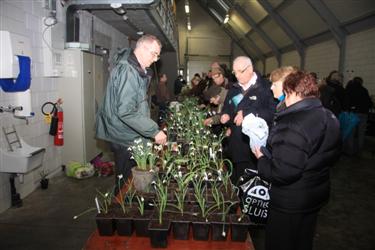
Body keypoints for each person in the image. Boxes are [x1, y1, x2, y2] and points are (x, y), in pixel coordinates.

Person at [253, 71, 341, 250]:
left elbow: (283, 172)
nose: (284, 99)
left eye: (286, 93)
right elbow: (333, 154)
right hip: (315, 193)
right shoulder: (328, 116)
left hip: (290, 200)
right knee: (302, 240)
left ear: (292, 91)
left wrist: (262, 160)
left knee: (281, 242)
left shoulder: (293, 124)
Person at [95, 34, 167, 187]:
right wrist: (154, 130)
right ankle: (122, 209)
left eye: (157, 56)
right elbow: (126, 111)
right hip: (124, 136)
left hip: (128, 133)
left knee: (130, 178)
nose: (155, 59)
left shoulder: (136, 69)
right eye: (154, 54)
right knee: (126, 182)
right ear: (142, 48)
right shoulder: (128, 72)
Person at [220, 56, 276, 184]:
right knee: (237, 181)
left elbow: (273, 114)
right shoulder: (234, 89)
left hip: (255, 148)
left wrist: (247, 114)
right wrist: (226, 115)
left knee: (254, 185)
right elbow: (228, 107)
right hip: (236, 143)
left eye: (241, 71)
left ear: (250, 69)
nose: (237, 76)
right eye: (235, 72)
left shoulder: (266, 88)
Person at [343, 76, 373, 156]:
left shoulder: (349, 89)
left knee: (351, 132)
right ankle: (360, 150)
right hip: (363, 114)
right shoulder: (364, 90)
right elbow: (370, 103)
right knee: (361, 132)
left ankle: (350, 150)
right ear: (361, 82)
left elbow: (346, 102)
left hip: (353, 113)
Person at [203, 66, 230, 135]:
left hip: (227, 121)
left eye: (216, 77)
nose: (214, 80)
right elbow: (207, 96)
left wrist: (219, 99)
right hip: (218, 117)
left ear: (222, 75)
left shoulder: (229, 86)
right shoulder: (216, 86)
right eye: (213, 79)